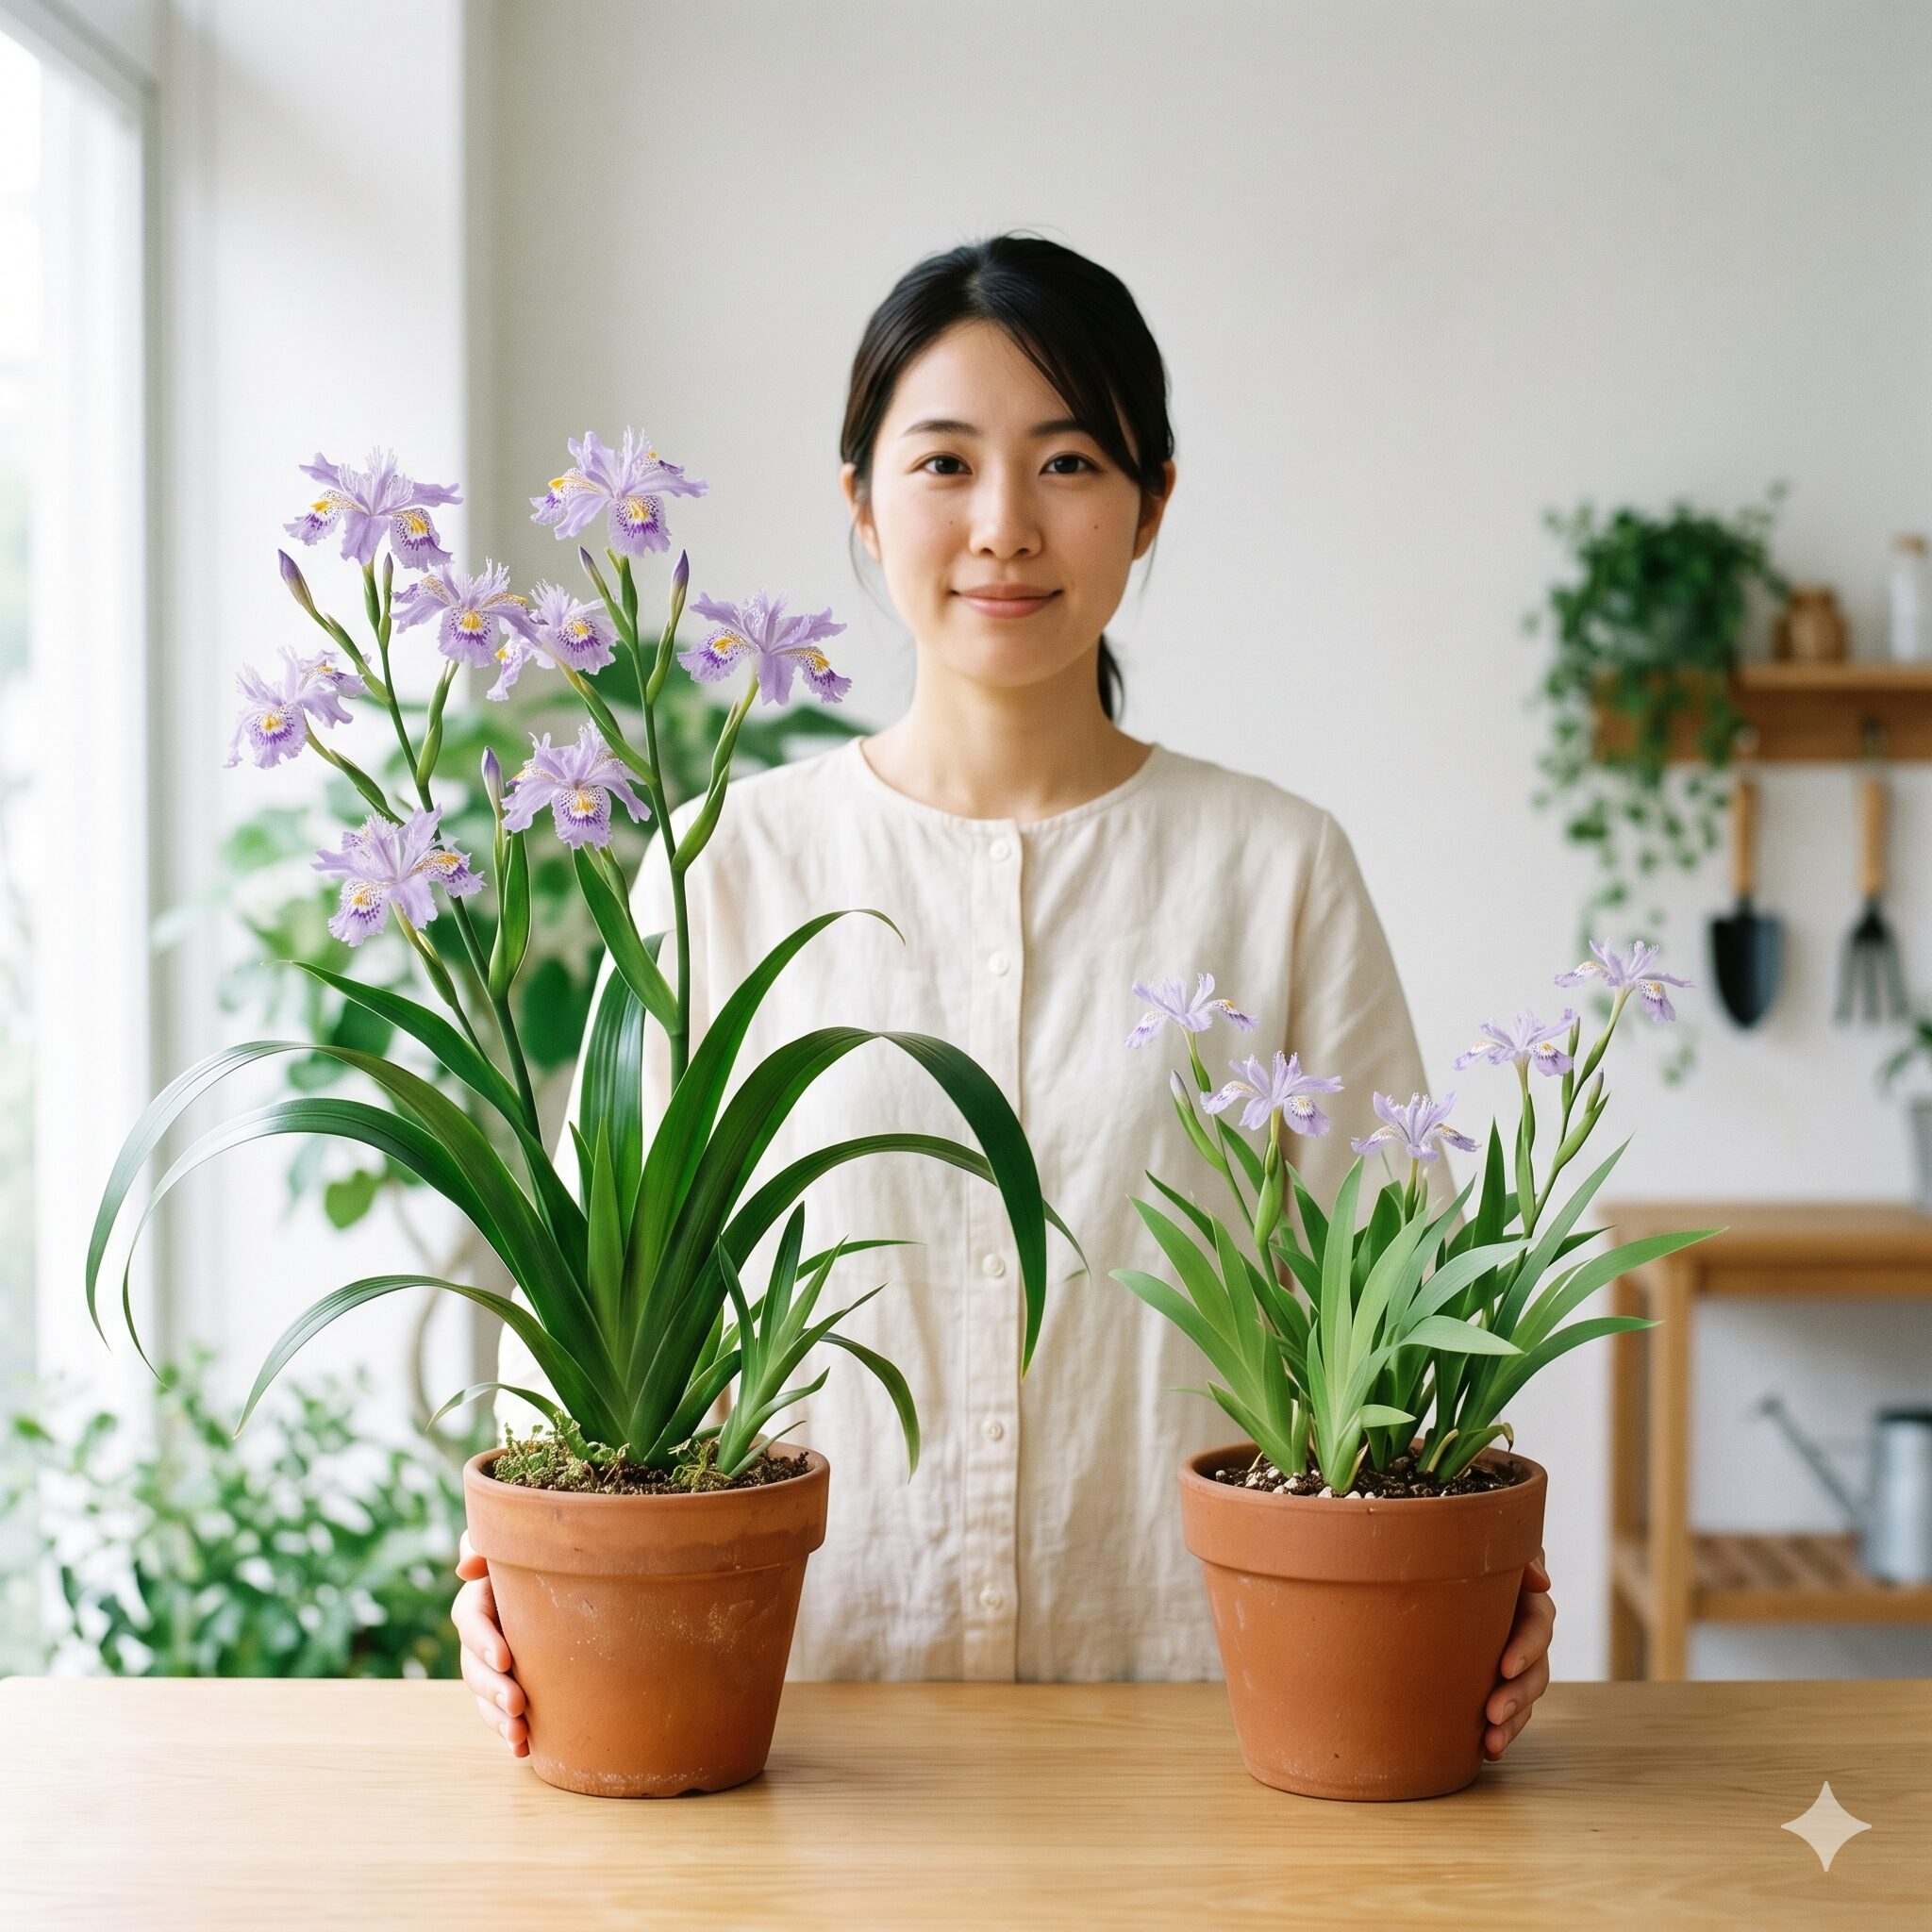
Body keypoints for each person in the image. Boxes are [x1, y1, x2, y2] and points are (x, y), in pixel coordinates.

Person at [454, 234, 1556, 1756]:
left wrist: (1482, 1558)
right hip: (789, 1730)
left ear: (1153, 500)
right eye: (945, 464)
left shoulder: (1276, 869)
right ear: (858, 498)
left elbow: (1411, 1285)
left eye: (1070, 463)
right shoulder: (731, 864)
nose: (1005, 529)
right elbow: (588, 1290)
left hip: (1220, 1727)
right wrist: (512, 1562)